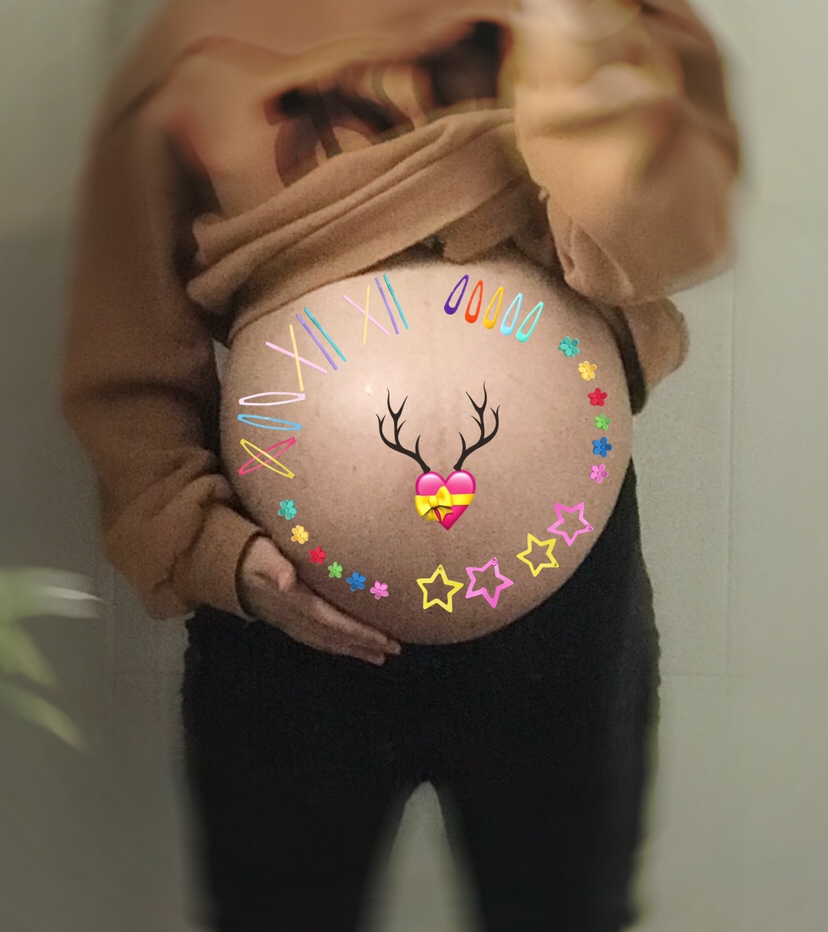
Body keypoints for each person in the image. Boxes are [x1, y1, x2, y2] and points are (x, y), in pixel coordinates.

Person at [60, 0, 741, 929]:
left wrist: (575, 35)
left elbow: (663, 240)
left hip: (561, 609)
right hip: (282, 607)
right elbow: (126, 336)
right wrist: (214, 552)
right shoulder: (199, 36)